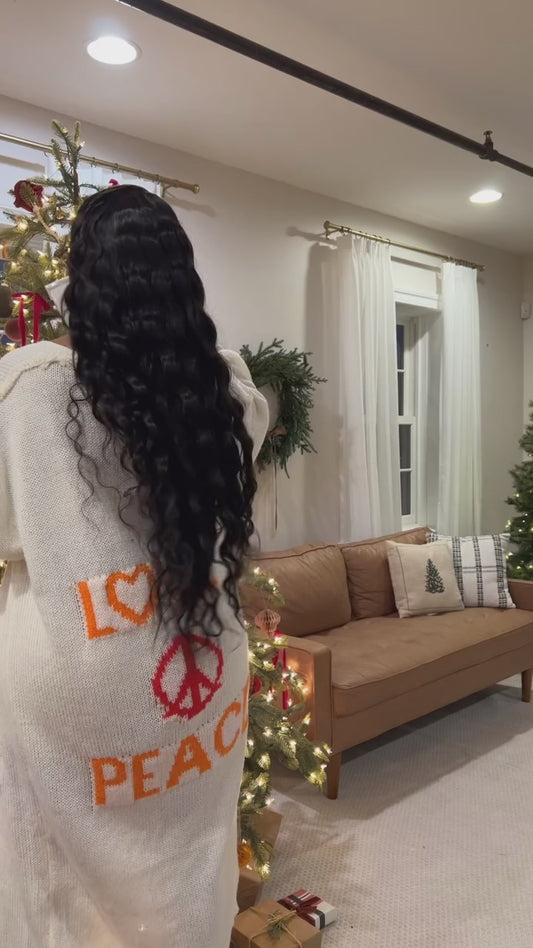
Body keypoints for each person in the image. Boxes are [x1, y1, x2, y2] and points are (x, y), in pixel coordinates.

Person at [0, 185, 269, 947]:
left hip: (78, 673)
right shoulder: (223, 393)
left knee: (55, 879)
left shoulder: (28, 384)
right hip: (203, 664)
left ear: (79, 280)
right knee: (189, 861)